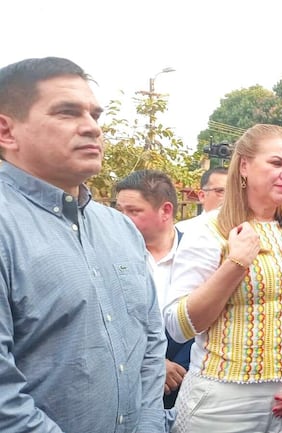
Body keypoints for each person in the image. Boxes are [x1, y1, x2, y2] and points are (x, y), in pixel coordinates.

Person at [0, 57, 166, 432]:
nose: (91, 127)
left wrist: (151, 424)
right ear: (6, 132)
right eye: (67, 113)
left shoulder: (120, 229)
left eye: (95, 114)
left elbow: (150, 342)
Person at [163, 124, 282, 433]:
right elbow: (179, 324)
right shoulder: (208, 230)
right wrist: (235, 264)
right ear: (244, 166)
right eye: (276, 163)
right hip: (223, 399)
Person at [115, 169, 192, 411]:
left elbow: (214, 315)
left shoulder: (199, 252)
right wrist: (152, 363)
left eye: (133, 211)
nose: (122, 218)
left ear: (165, 211)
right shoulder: (111, 254)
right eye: (119, 211)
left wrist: (181, 367)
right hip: (129, 382)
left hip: (190, 382)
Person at [176, 166, 227, 233]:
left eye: (234, 192)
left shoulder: (243, 232)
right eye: (220, 191)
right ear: (202, 196)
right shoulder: (182, 231)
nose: (228, 198)